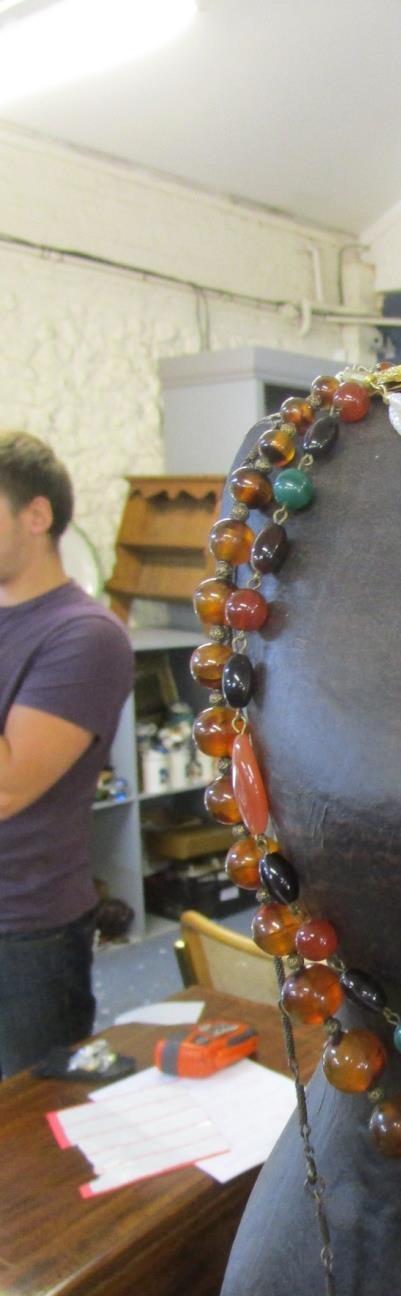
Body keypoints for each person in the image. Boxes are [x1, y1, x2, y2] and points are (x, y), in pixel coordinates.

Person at [0, 432, 133, 1076]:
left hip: (24, 933)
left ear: (36, 515)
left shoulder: (83, 636)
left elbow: (6, 789)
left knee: (31, 1141)